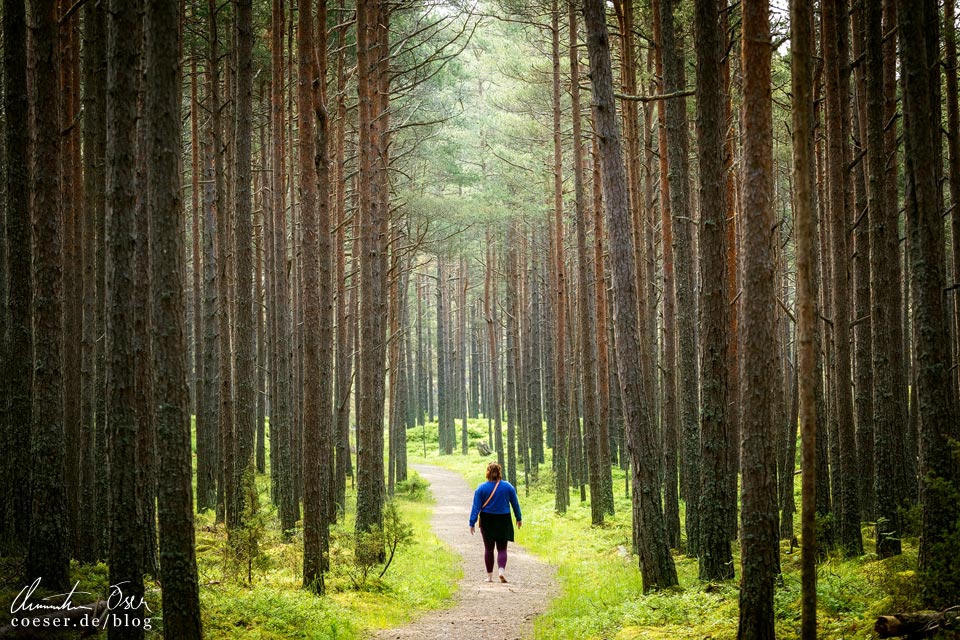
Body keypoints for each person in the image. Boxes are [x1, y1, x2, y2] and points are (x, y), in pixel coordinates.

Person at [469, 462, 522, 583]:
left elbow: (476, 507)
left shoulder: (481, 488)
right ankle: (501, 571)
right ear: (499, 472)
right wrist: (518, 518)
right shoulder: (508, 487)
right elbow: (515, 504)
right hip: (504, 519)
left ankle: (489, 577)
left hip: (487, 520)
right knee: (502, 549)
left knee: (489, 549)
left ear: (487, 472)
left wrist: (472, 522)